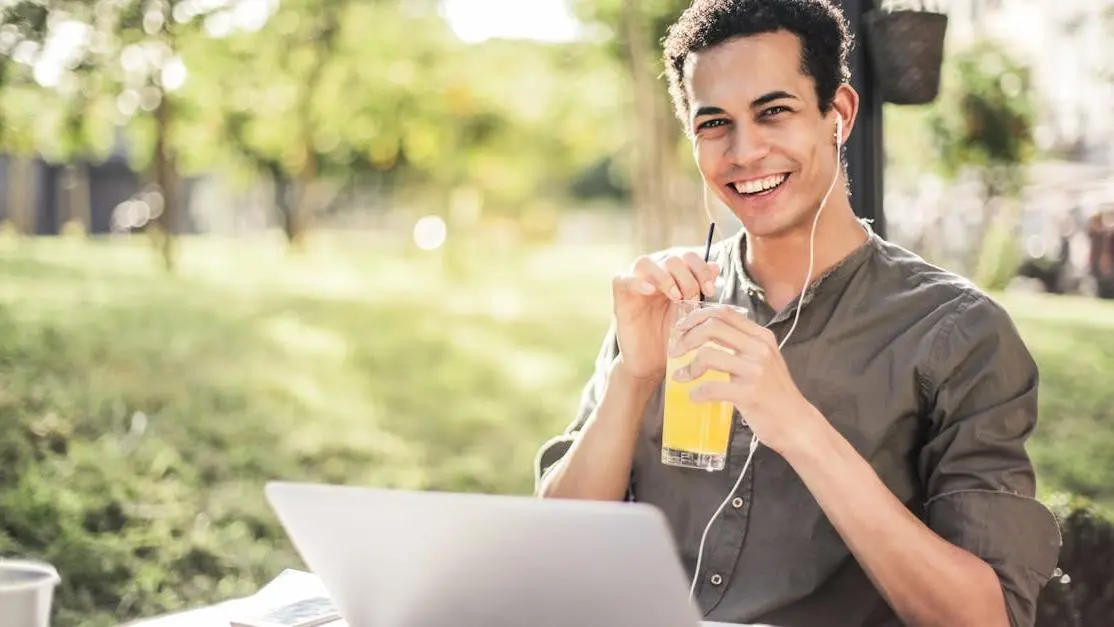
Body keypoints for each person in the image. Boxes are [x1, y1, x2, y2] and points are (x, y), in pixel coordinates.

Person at [533, 1, 1061, 626]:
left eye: (773, 112)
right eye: (714, 124)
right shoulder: (665, 304)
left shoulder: (958, 334)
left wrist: (795, 423)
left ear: (837, 115)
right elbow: (550, 554)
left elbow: (986, 618)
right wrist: (633, 378)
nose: (744, 151)